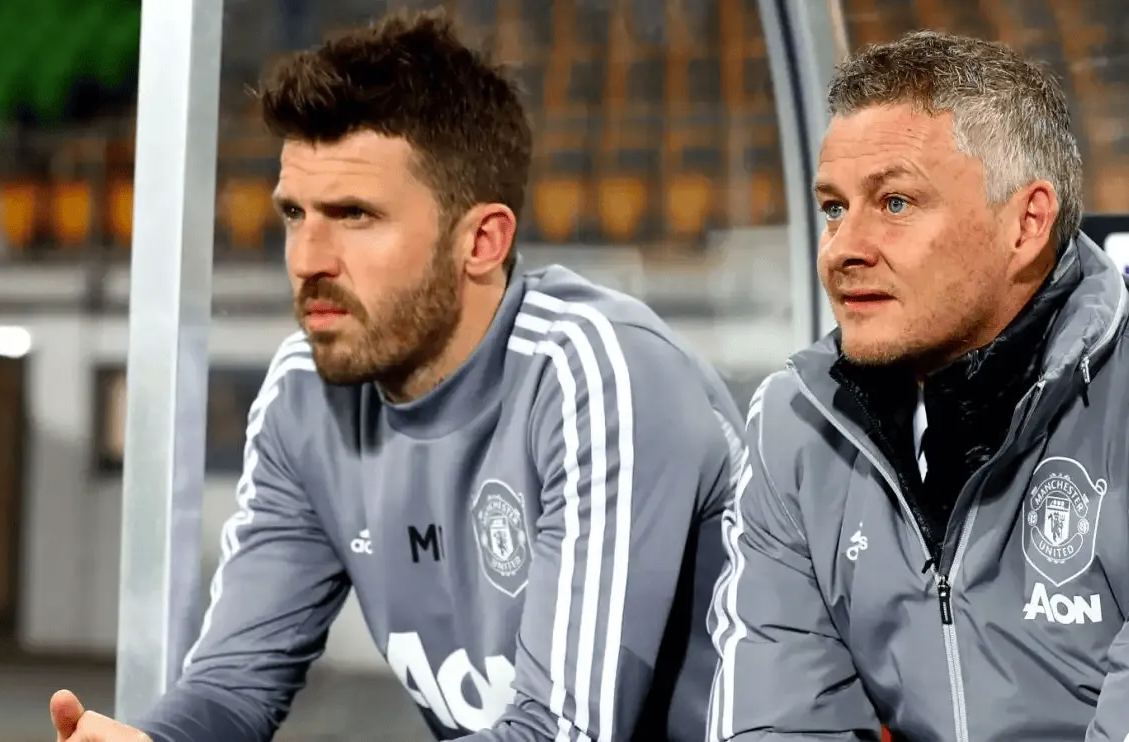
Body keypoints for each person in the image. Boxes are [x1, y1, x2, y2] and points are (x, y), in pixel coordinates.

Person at [50, 9, 742, 742]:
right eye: (295, 213)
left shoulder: (594, 372)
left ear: (482, 241)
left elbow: (562, 733)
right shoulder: (305, 394)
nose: (307, 258)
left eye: (353, 215)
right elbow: (232, 684)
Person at [707, 31, 1129, 741]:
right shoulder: (798, 423)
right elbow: (777, 725)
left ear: (1027, 224)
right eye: (835, 209)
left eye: (895, 203)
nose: (844, 248)